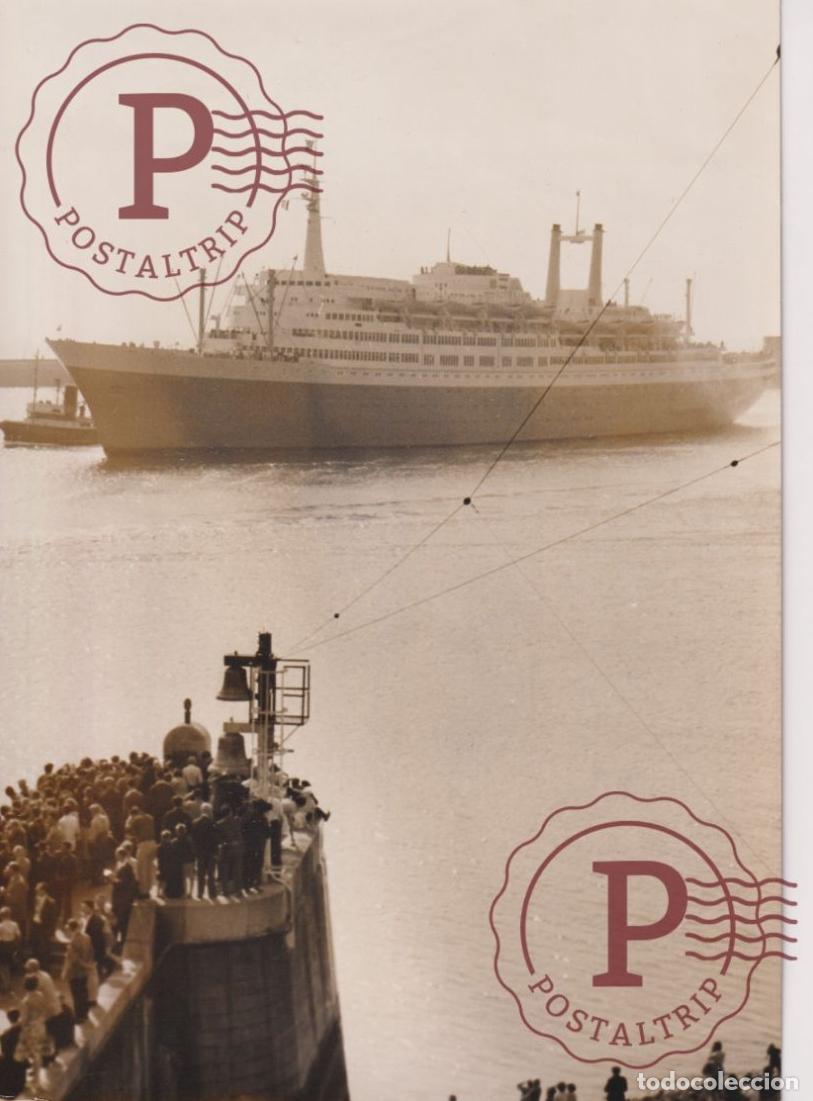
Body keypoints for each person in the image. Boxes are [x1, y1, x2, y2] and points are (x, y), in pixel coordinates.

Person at [14, 975, 55, 1088]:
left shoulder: (26, 1001)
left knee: (34, 1052)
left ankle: (36, 1079)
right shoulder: (40, 995)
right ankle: (34, 1071)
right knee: (37, 1050)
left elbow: (24, 1019)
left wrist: (18, 1023)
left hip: (31, 1028)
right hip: (40, 1025)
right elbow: (47, 1010)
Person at [62, 918, 94, 1023]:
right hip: (85, 972)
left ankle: (79, 1016)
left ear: (71, 929)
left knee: (76, 994)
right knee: (84, 991)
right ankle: (85, 1014)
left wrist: (65, 972)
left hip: (76, 972)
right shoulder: (87, 937)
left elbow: (74, 960)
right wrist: (89, 964)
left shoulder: (73, 942)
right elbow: (91, 952)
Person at [191, 803, 219, 900]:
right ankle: (212, 894)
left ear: (201, 811)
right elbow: (215, 839)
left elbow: (193, 839)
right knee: (211, 874)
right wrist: (216, 852)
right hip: (211, 852)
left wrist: (195, 851)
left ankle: (200, 893)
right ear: (209, 811)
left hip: (200, 852)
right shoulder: (213, 823)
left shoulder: (195, 822)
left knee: (201, 873)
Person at [0, 1008, 27, 1098]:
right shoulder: (22, 1031)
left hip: (7, 1061)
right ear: (19, 1017)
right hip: (17, 1061)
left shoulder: (5, 1035)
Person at [0, 906, 21, 994]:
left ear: (2, 916)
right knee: (7, 966)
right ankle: (6, 983)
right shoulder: (14, 924)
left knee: (3, 966)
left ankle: (6, 985)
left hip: (3, 946)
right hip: (12, 946)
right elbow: (18, 935)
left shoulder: (1, 926)